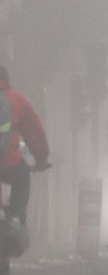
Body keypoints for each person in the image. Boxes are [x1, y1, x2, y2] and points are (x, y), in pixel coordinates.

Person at [0, 66, 50, 253]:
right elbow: (35, 133)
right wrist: (41, 159)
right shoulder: (17, 100)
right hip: (10, 162)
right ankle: (16, 217)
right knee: (23, 176)